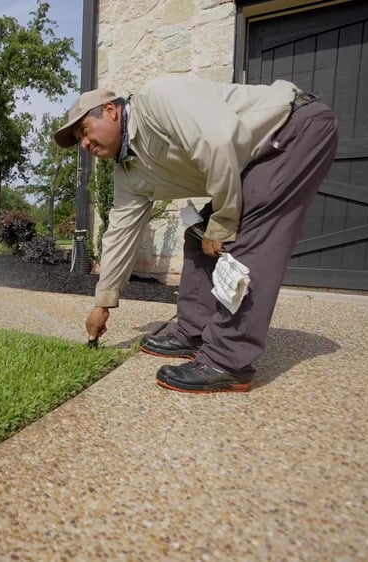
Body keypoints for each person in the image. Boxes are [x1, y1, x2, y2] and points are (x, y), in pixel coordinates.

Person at [53, 74, 339, 393]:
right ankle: (193, 333)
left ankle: (227, 361)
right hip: (251, 158)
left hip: (291, 129)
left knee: (243, 241)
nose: (85, 144)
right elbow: (120, 234)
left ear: (110, 110)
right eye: (79, 141)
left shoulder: (157, 98)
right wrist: (102, 304)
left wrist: (224, 222)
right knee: (198, 235)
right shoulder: (127, 174)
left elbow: (216, 141)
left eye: (84, 131)